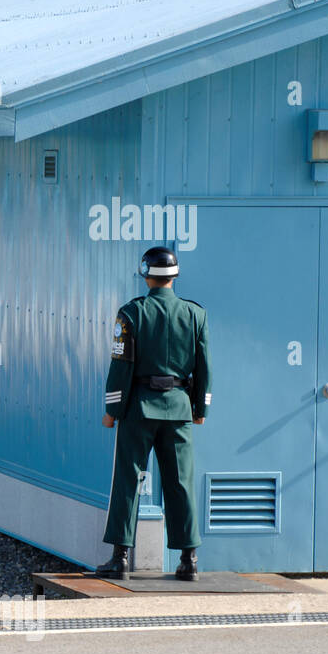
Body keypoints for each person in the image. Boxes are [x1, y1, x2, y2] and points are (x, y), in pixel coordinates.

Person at [96, 246, 212, 582]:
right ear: (175, 276)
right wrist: (200, 408)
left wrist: (112, 410)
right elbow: (204, 367)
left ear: (146, 274)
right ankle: (188, 560)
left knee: (129, 479)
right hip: (178, 409)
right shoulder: (196, 315)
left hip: (139, 409)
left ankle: (120, 558)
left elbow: (121, 367)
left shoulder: (131, 313)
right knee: (180, 482)